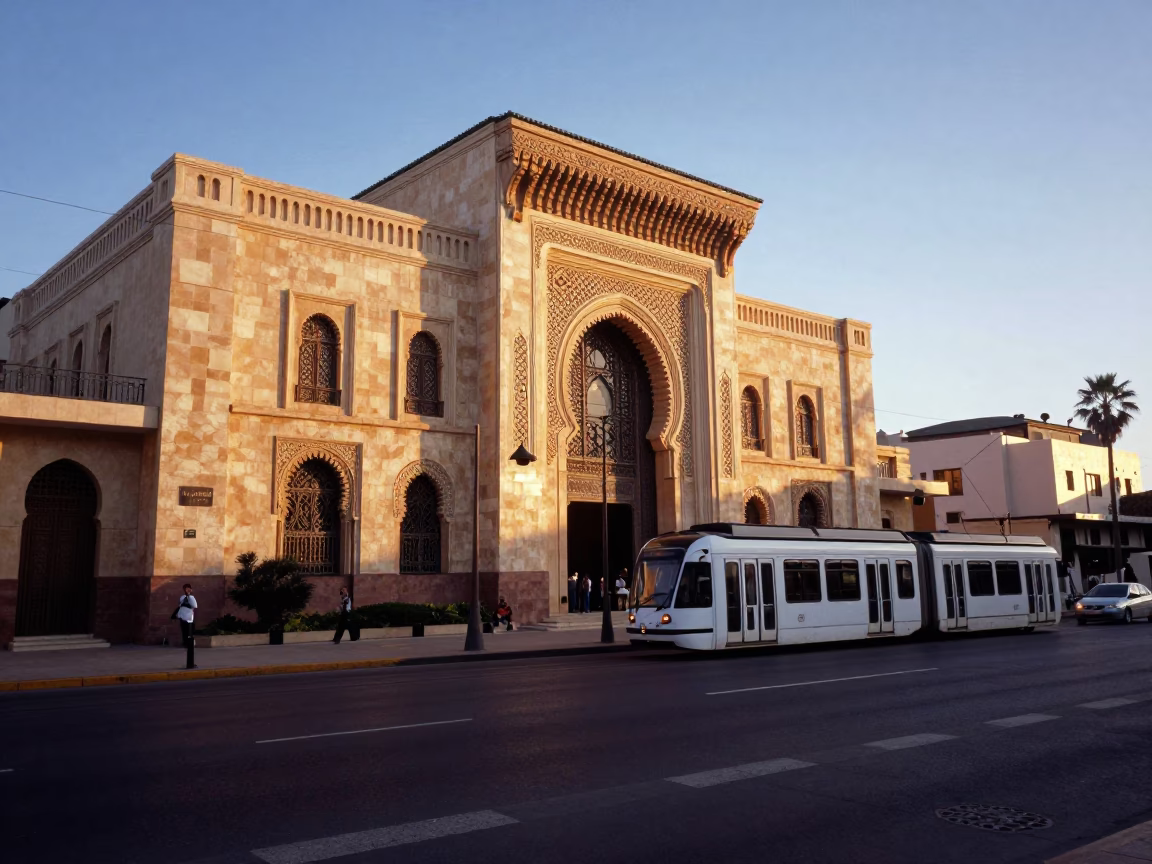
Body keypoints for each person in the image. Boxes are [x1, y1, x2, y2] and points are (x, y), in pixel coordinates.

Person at [174, 584, 197, 664]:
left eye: (188, 589)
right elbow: (180, 604)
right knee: (184, 630)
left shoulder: (191, 597)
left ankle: (189, 644)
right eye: (186, 589)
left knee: (189, 631)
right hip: (182, 616)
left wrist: (189, 598)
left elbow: (194, 605)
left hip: (189, 617)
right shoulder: (182, 597)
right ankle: (185, 643)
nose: (187, 590)